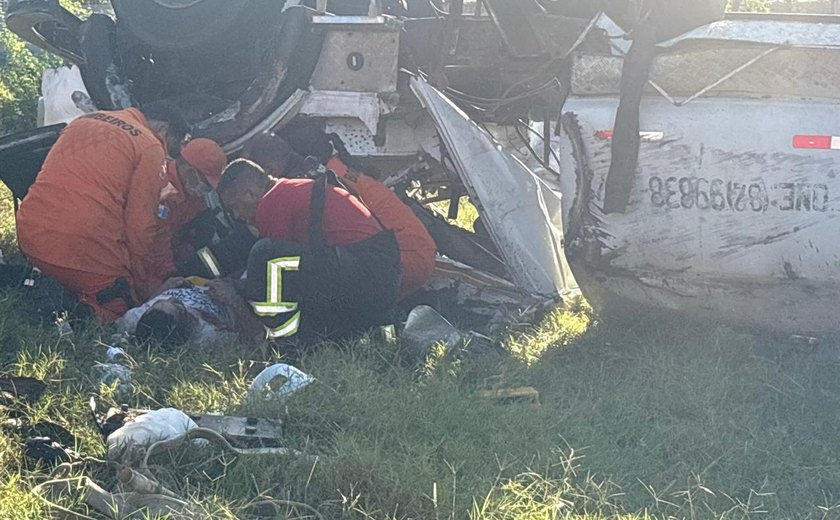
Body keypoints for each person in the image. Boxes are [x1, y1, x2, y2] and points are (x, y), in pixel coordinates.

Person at [16, 102, 190, 321]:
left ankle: (32, 281)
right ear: (164, 130)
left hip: (30, 236)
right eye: (170, 148)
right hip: (75, 248)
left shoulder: (85, 120)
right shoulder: (149, 145)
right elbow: (140, 226)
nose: (166, 155)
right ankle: (70, 304)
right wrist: (138, 280)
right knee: (121, 309)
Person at [216, 159, 401, 340]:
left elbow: (270, 277)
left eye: (235, 206)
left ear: (250, 194)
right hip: (378, 275)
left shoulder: (272, 202)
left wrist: (235, 290)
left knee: (264, 253)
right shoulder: (289, 188)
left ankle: (284, 341)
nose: (238, 215)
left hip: (362, 271)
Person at [242, 133, 436, 298]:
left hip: (401, 260)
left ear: (267, 171)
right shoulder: (330, 168)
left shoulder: (301, 188)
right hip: (418, 252)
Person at [144, 138, 228, 281]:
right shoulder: (161, 191)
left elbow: (204, 222)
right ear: (190, 172)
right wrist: (171, 278)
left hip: (171, 256)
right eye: (207, 185)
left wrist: (191, 245)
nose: (207, 191)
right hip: (147, 265)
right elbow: (157, 244)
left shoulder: (193, 194)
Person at [117, 277, 261, 346]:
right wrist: (233, 299)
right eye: (179, 307)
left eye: (159, 302)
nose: (173, 298)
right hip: (232, 286)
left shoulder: (133, 319)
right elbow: (256, 340)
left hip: (189, 277)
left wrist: (162, 290)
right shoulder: (208, 337)